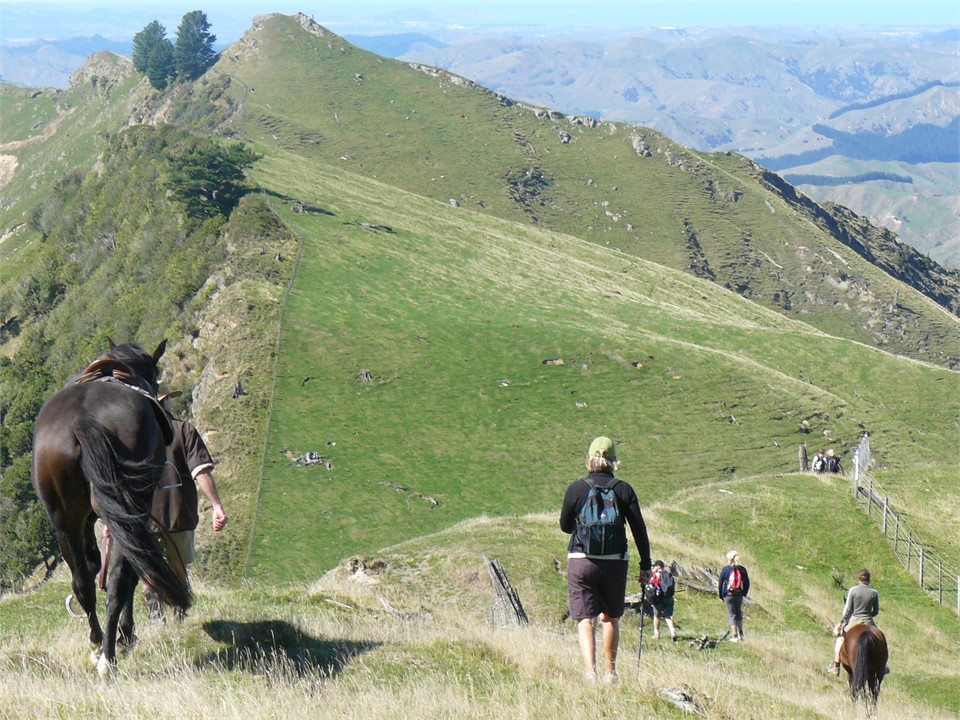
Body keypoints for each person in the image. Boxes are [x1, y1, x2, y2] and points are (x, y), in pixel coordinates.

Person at [560, 436, 652, 684]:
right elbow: (639, 530)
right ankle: (611, 673)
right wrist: (646, 566)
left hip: (581, 560)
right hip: (615, 562)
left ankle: (591, 673)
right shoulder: (624, 490)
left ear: (590, 459)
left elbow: (564, 526)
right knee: (610, 618)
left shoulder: (576, 488)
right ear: (613, 461)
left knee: (585, 619)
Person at [143, 392, 228, 620]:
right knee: (178, 565)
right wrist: (216, 505)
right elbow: (200, 470)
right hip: (178, 513)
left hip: (144, 517)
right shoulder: (184, 430)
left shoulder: (135, 434)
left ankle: (155, 618)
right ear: (163, 401)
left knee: (148, 568)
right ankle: (178, 613)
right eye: (168, 397)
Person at [830, 568, 879, 676]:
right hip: (868, 621)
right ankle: (882, 666)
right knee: (880, 640)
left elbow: (848, 610)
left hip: (854, 620)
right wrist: (868, 615)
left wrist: (842, 622)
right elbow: (875, 611)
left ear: (859, 579)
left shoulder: (853, 590)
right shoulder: (874, 593)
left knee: (840, 640)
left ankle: (836, 666)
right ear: (869, 579)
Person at [718, 550, 750, 642]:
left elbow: (720, 583)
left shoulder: (726, 570)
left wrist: (721, 595)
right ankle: (741, 635)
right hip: (739, 594)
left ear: (729, 559)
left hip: (728, 595)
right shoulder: (742, 569)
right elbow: (747, 583)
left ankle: (735, 636)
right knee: (739, 613)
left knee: (732, 614)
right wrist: (744, 593)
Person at [646, 560, 678, 642]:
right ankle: (673, 632)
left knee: (657, 616)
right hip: (669, 597)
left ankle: (656, 633)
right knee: (668, 616)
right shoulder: (668, 574)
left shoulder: (654, 575)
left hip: (658, 598)